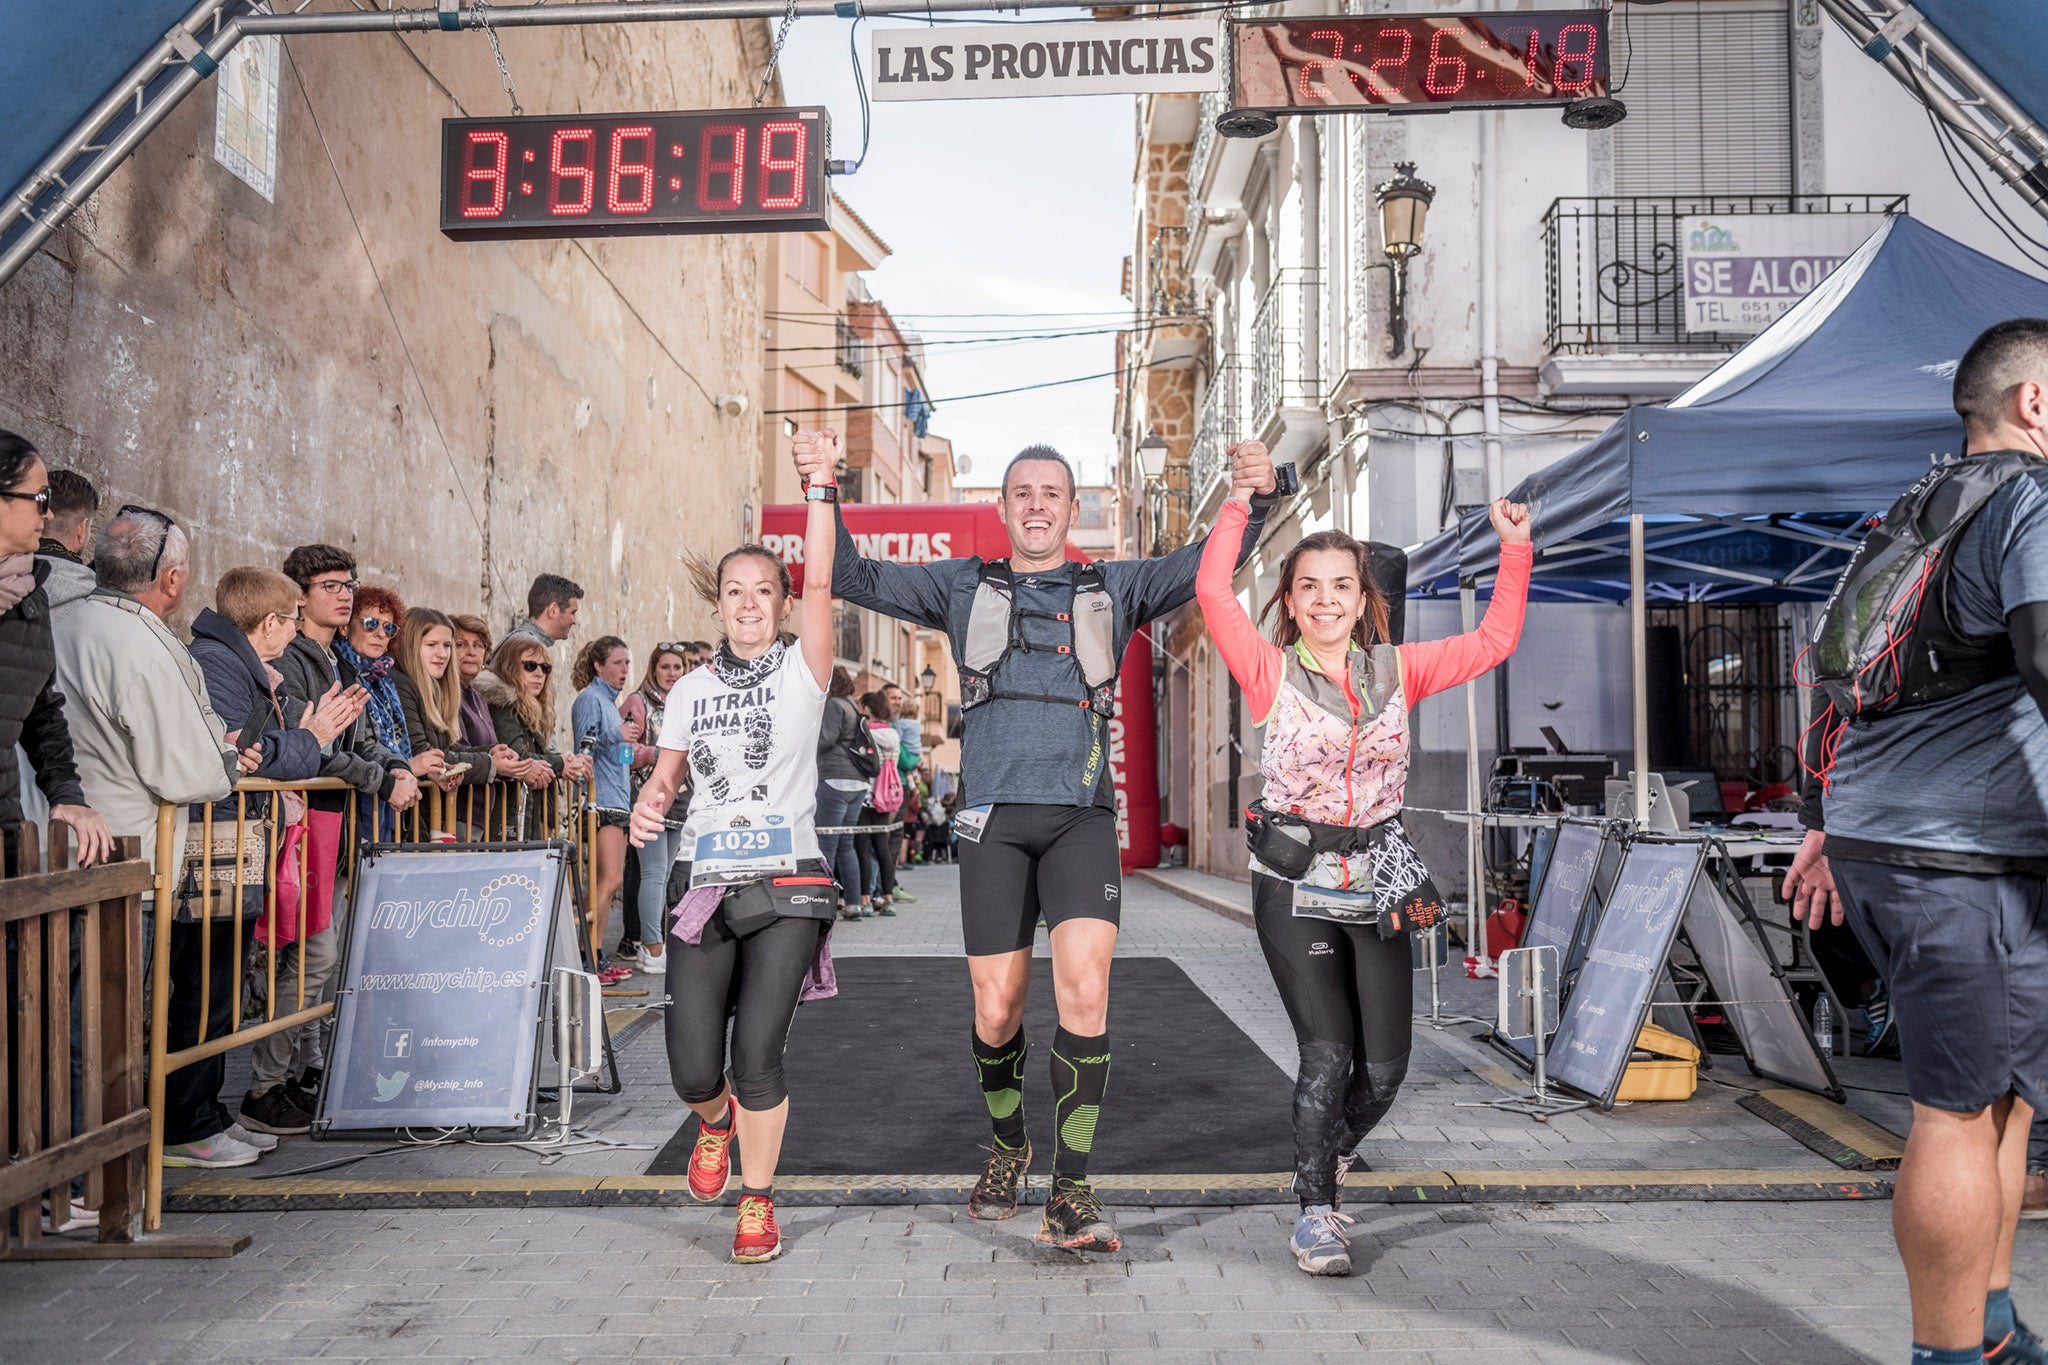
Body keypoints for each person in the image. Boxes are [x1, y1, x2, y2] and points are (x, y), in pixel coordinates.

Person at [807, 431, 1279, 1252]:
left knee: (1086, 995)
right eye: (1021, 492)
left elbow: (1216, 562)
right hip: (990, 818)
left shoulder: (1116, 584)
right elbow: (852, 576)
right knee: (996, 1013)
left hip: (1079, 819)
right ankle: (1006, 1147)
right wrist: (823, 488)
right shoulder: (962, 584)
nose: (1035, 505)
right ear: (1002, 506)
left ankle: (1072, 1186)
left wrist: (1259, 496)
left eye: (1051, 493)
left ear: (1070, 506)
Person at [1785, 319, 2048, 1365]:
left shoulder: (1920, 506)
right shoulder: (2029, 500)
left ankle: (1987, 1323)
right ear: (2033, 404)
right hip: (1962, 859)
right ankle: (1946, 1355)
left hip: (1890, 840)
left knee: (2001, 1092)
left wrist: (1818, 822)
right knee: (1950, 1107)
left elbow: (1838, 678)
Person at [1197, 452, 1531, 1276]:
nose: (1325, 600)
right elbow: (1210, 593)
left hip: (1379, 877)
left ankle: (1325, 1155)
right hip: (1294, 881)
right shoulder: (1270, 672)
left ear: (1363, 598)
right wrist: (1240, 502)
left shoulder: (1400, 672)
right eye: (1308, 586)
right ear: (1290, 600)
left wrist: (1514, 551)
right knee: (1328, 1053)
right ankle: (1316, 1213)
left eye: (1340, 585)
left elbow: (1496, 640)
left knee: (1386, 1067)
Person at [628, 431, 839, 1264]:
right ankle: (710, 1124)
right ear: (716, 603)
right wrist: (649, 808)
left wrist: (820, 484)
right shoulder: (688, 689)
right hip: (704, 881)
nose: (748, 602)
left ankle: (758, 1201)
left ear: (782, 605)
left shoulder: (804, 671)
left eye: (763, 591)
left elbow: (822, 573)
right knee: (690, 1069)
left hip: (787, 883)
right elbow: (667, 782)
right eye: (733, 590)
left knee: (757, 1054)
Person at [52, 507, 253, 1167]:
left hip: (53, 846)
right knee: (100, 1027)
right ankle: (88, 1174)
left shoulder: (59, 619)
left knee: (59, 1017)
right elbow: (188, 769)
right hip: (125, 855)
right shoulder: (138, 641)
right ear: (171, 579)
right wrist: (224, 758)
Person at [186, 568, 347, 1144]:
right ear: (272, 622)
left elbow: (257, 754)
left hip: (236, 842)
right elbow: (238, 757)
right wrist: (312, 738)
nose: (296, 630)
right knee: (203, 988)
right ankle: (191, 1123)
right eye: (292, 619)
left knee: (219, 989)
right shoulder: (219, 663)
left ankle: (206, 1117)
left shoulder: (241, 664)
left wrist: (298, 738)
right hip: (215, 842)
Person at [266, 544, 414, 1118]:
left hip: (340, 831)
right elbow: (314, 750)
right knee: (311, 959)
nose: (344, 593)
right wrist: (381, 779)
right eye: (330, 584)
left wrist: (395, 766)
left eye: (347, 582)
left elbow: (359, 736)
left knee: (328, 962)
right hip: (308, 827)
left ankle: (305, 1071)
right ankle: (265, 1086)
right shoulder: (298, 661)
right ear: (300, 597)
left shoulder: (340, 661)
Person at [0, 436, 111, 861]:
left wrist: (67, 795)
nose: (48, 514)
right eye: (39, 498)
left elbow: (42, 710)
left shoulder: (30, 593)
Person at [392, 607, 522, 836]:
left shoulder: (436, 688)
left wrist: (493, 753)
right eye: (432, 645)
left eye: (447, 646)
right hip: (411, 818)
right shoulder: (403, 685)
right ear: (411, 645)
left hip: (434, 815)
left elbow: (448, 748)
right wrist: (491, 764)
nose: (442, 654)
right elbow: (424, 753)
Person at [338, 586, 446, 837]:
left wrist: (402, 769)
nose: (379, 633)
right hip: (353, 812)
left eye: (388, 628)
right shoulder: (342, 672)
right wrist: (405, 766)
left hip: (386, 806)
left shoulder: (384, 681)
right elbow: (356, 745)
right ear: (345, 626)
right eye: (370, 623)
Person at [477, 634, 592, 841]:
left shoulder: (533, 708)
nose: (539, 673)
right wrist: (561, 764)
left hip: (526, 808)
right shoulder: (503, 703)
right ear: (511, 667)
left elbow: (535, 753)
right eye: (530, 666)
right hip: (506, 810)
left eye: (545, 668)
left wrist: (565, 760)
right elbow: (517, 755)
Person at [571, 635, 637, 984]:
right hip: (600, 800)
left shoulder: (613, 702)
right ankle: (589, 958)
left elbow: (611, 746)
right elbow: (584, 747)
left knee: (608, 882)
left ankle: (594, 955)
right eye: (617, 663)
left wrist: (627, 741)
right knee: (608, 880)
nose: (624, 670)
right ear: (598, 666)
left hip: (617, 797)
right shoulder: (589, 699)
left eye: (627, 663)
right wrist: (617, 735)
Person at [618, 643, 687, 973]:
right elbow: (621, 755)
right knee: (654, 874)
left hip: (681, 799)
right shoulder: (638, 702)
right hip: (648, 797)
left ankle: (659, 942)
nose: (672, 673)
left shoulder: (687, 701)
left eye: (677, 667)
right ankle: (652, 947)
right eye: (666, 667)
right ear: (653, 669)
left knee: (670, 875)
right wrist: (655, 755)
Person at [814, 666, 871, 922]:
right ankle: (854, 903)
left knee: (826, 843)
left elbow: (825, 740)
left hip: (835, 779)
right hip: (857, 782)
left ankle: (823, 904)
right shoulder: (853, 705)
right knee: (847, 846)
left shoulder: (834, 705)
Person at [854, 691, 902, 918]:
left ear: (867, 709)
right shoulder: (893, 733)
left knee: (862, 849)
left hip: (865, 794)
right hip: (886, 797)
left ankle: (864, 899)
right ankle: (889, 898)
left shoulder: (863, 731)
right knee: (882, 848)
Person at [506, 573, 582, 650]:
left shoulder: (522, 641)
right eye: (572, 613)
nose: (574, 621)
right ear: (553, 610)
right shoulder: (529, 647)